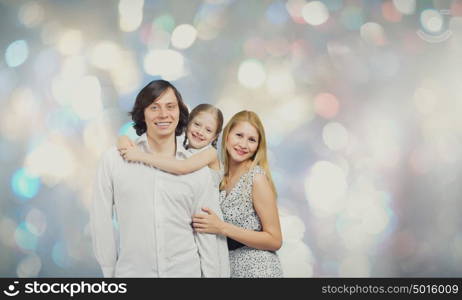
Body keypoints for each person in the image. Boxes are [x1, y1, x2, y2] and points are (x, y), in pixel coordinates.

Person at [90, 80, 229, 277]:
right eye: (154, 107)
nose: (163, 114)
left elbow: (206, 233)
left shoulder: (198, 168)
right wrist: (109, 273)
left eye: (170, 107)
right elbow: (101, 221)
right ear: (142, 113)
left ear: (180, 113)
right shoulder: (114, 160)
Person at [193, 110, 283, 277]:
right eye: (239, 135)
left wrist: (221, 227)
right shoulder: (220, 175)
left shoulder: (256, 178)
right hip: (229, 269)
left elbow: (275, 240)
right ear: (227, 135)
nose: (243, 144)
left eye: (251, 140)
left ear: (258, 146)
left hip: (258, 271)